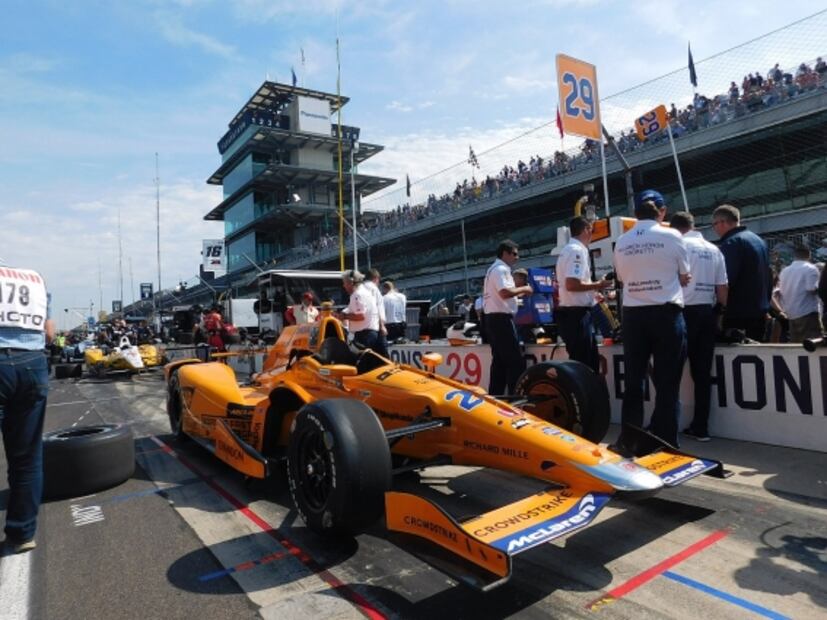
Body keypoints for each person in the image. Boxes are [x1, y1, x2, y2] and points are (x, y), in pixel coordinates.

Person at [612, 191, 690, 456]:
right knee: (668, 382)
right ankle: (665, 441)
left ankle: (628, 441)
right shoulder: (672, 236)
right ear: (660, 213)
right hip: (666, 314)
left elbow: (622, 278)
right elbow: (685, 275)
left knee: (634, 381)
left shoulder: (622, 241)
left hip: (634, 316)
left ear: (635, 216)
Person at [0, 258, 55, 552]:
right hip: (32, 364)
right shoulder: (34, 278)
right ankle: (22, 534)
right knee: (27, 458)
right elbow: (49, 333)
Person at [670, 212, 728, 442]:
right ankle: (701, 427)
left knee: (670, 371)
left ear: (675, 229)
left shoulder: (678, 245)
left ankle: (665, 425)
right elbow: (722, 288)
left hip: (681, 311)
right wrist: (721, 314)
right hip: (707, 312)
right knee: (702, 374)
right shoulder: (714, 249)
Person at [555, 216, 612, 372]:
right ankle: (584, 396)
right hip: (577, 315)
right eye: (591, 230)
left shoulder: (568, 250)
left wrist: (593, 292)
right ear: (586, 230)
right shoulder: (577, 251)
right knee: (585, 366)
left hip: (572, 313)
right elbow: (572, 284)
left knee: (585, 362)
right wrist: (598, 284)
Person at [712, 204, 771, 341]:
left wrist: (718, 309)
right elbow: (769, 276)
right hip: (759, 310)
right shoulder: (759, 240)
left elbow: (726, 280)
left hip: (738, 314)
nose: (714, 229)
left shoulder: (731, 243)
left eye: (714, 224)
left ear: (722, 222)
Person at [483, 239, 533, 395]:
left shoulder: (494, 269)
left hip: (493, 319)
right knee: (515, 362)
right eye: (514, 254)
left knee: (499, 362)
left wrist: (516, 297)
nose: (517, 258)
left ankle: (496, 396)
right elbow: (504, 293)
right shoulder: (501, 269)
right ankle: (515, 398)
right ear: (505, 253)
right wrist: (524, 288)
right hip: (501, 320)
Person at [777, 246, 823, 343]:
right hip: (807, 312)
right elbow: (811, 289)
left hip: (790, 312)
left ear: (794, 256)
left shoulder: (784, 271)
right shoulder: (811, 268)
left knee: (796, 346)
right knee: (812, 345)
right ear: (809, 256)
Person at [335, 269, 381, 351]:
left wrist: (344, 316)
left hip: (364, 335)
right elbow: (352, 308)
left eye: (345, 283)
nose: (344, 286)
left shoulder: (357, 295)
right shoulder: (365, 292)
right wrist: (343, 312)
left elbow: (360, 316)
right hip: (370, 333)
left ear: (351, 282)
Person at [365, 268, 389, 357]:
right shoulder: (374, 289)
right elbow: (377, 308)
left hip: (363, 329)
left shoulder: (360, 288)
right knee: (383, 355)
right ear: (376, 278)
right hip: (376, 327)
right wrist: (382, 326)